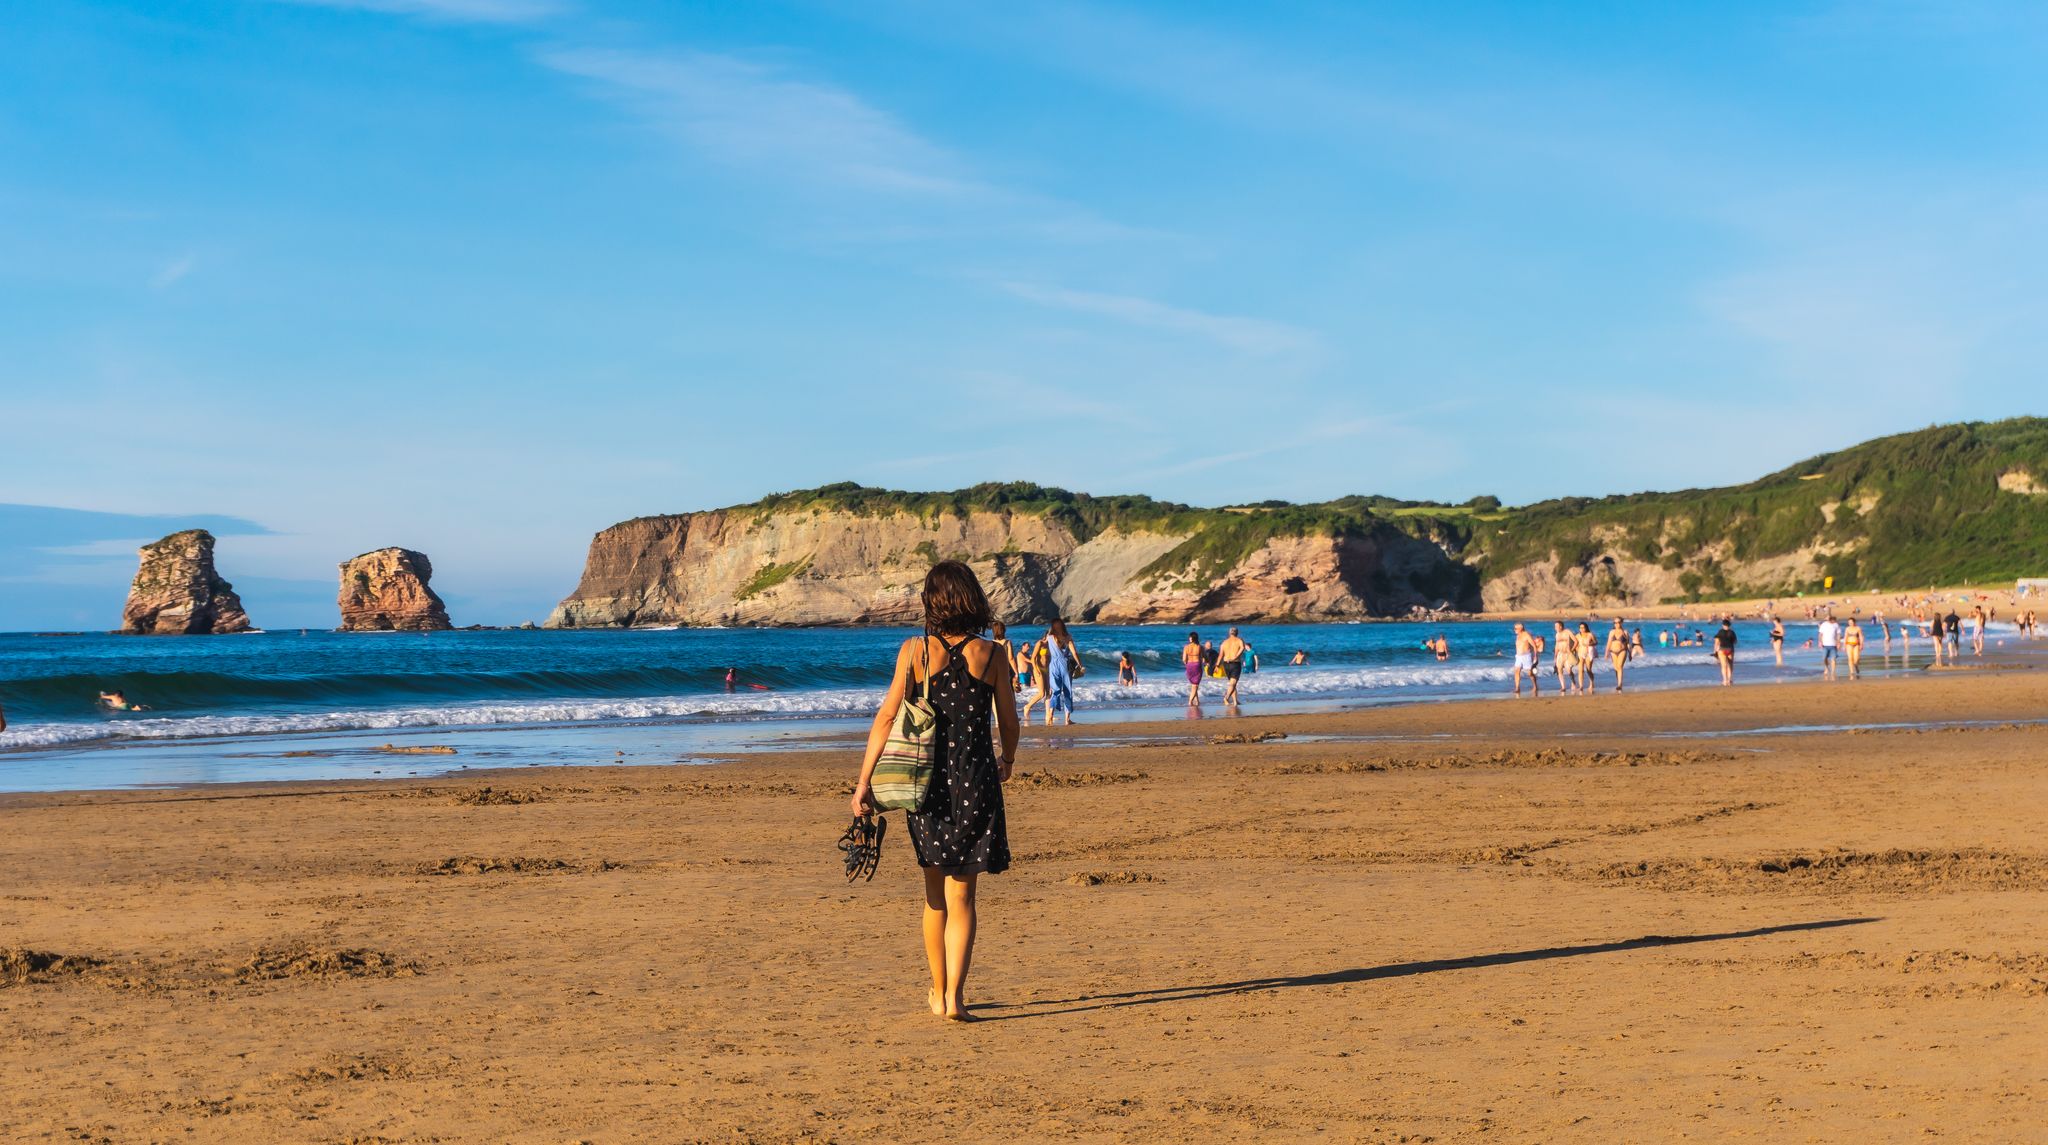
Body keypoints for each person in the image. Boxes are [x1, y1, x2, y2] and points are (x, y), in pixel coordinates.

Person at [849, 562, 1018, 1023]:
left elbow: (885, 718)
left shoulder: (915, 651)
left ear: (932, 601)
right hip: (977, 780)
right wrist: (1008, 761)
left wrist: (864, 783)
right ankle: (956, 1001)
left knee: (934, 894)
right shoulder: (993, 654)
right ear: (971, 598)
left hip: (925, 785)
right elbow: (1008, 721)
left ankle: (938, 991)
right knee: (964, 895)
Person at [1041, 620, 1081, 726]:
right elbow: (1074, 653)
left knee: (1055, 691)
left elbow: (1042, 644)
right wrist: (1080, 665)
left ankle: (1050, 714)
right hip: (1065, 665)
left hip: (1053, 665)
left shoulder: (1049, 637)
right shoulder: (1068, 638)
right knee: (1067, 691)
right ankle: (1067, 720)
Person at [1020, 639, 1051, 724]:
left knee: (1049, 693)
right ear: (1047, 635)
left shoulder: (1050, 644)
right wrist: (1036, 670)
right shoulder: (1039, 643)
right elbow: (1033, 657)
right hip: (1039, 669)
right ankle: (1027, 706)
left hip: (1046, 670)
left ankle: (1048, 715)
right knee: (1042, 694)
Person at [1218, 627, 1250, 706]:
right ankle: (1226, 698)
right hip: (1235, 663)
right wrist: (1235, 657)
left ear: (1229, 633)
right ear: (1237, 633)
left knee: (1232, 684)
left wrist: (1217, 665)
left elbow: (1220, 655)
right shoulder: (1239, 640)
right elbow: (1242, 648)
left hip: (1226, 664)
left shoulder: (1224, 642)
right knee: (1233, 683)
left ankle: (1235, 701)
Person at [1511, 622, 1540, 698]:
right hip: (1518, 657)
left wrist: (1535, 656)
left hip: (1526, 656)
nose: (1514, 630)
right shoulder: (1518, 636)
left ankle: (1535, 686)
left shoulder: (1526, 635)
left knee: (1530, 674)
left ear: (1521, 628)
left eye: (1515, 628)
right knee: (1517, 671)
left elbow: (1534, 645)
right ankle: (1517, 688)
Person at [1552, 621, 1576, 696]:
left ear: (1561, 626)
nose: (1555, 628)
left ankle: (1573, 683)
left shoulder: (1568, 632)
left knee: (1569, 670)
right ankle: (1563, 687)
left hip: (1567, 654)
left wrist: (1572, 650)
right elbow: (1556, 645)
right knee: (1559, 669)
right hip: (1560, 654)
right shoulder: (1557, 634)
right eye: (1555, 626)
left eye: (1557, 626)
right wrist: (1555, 656)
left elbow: (1576, 641)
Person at [1606, 619, 1631, 691]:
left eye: (1618, 622)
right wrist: (1606, 653)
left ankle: (1619, 684)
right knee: (1616, 668)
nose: (1617, 624)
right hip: (1613, 652)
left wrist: (1630, 653)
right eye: (1615, 623)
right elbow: (1609, 643)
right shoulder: (1612, 632)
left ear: (1621, 623)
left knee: (1619, 666)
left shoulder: (1625, 632)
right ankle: (1618, 683)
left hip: (1622, 651)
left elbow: (1628, 644)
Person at [1182, 632, 1205, 706]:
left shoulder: (1186, 647)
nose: (1189, 638)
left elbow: (1184, 659)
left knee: (1193, 685)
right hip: (1197, 665)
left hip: (1189, 665)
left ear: (1192, 638)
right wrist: (1207, 661)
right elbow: (1205, 656)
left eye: (1190, 637)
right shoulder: (1200, 647)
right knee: (1195, 685)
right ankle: (1190, 701)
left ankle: (1197, 701)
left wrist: (1187, 665)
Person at [1574, 622, 1597, 695]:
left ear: (1586, 628)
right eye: (1580, 628)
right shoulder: (1577, 635)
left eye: (1583, 627)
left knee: (1588, 669)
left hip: (1588, 653)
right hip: (1580, 653)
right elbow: (1575, 644)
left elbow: (1596, 642)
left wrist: (1590, 644)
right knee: (1580, 670)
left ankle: (1591, 683)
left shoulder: (1590, 634)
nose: (1582, 629)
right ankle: (1581, 686)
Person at [1817, 614, 1841, 680]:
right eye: (1827, 617)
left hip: (1833, 644)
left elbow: (1838, 634)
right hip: (1825, 644)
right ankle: (1827, 668)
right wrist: (1820, 642)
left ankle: (1833, 672)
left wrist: (1838, 643)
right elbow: (1820, 634)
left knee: (1833, 659)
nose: (1828, 618)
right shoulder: (1823, 624)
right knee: (1824, 658)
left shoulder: (1836, 625)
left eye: (1829, 617)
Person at [1713, 619, 1737, 686]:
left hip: (1722, 649)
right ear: (1729, 625)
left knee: (1723, 666)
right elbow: (1735, 642)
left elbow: (1716, 642)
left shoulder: (1720, 632)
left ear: (1723, 625)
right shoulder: (1732, 632)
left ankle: (1725, 680)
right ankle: (1729, 680)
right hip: (1730, 649)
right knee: (1730, 665)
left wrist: (1715, 651)